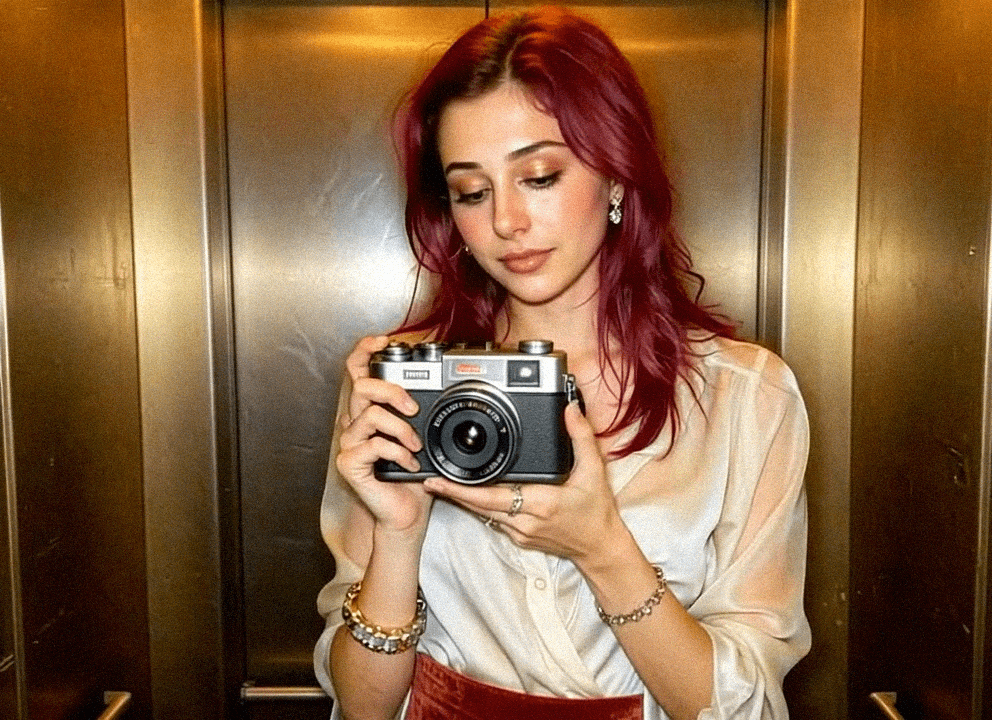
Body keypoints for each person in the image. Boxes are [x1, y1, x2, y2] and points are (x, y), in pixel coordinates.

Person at [314, 7, 810, 720]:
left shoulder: (745, 398)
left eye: (539, 176)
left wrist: (602, 548)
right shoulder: (403, 388)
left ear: (617, 174)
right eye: (471, 191)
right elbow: (362, 709)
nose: (505, 223)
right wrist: (398, 535)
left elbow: (749, 707)